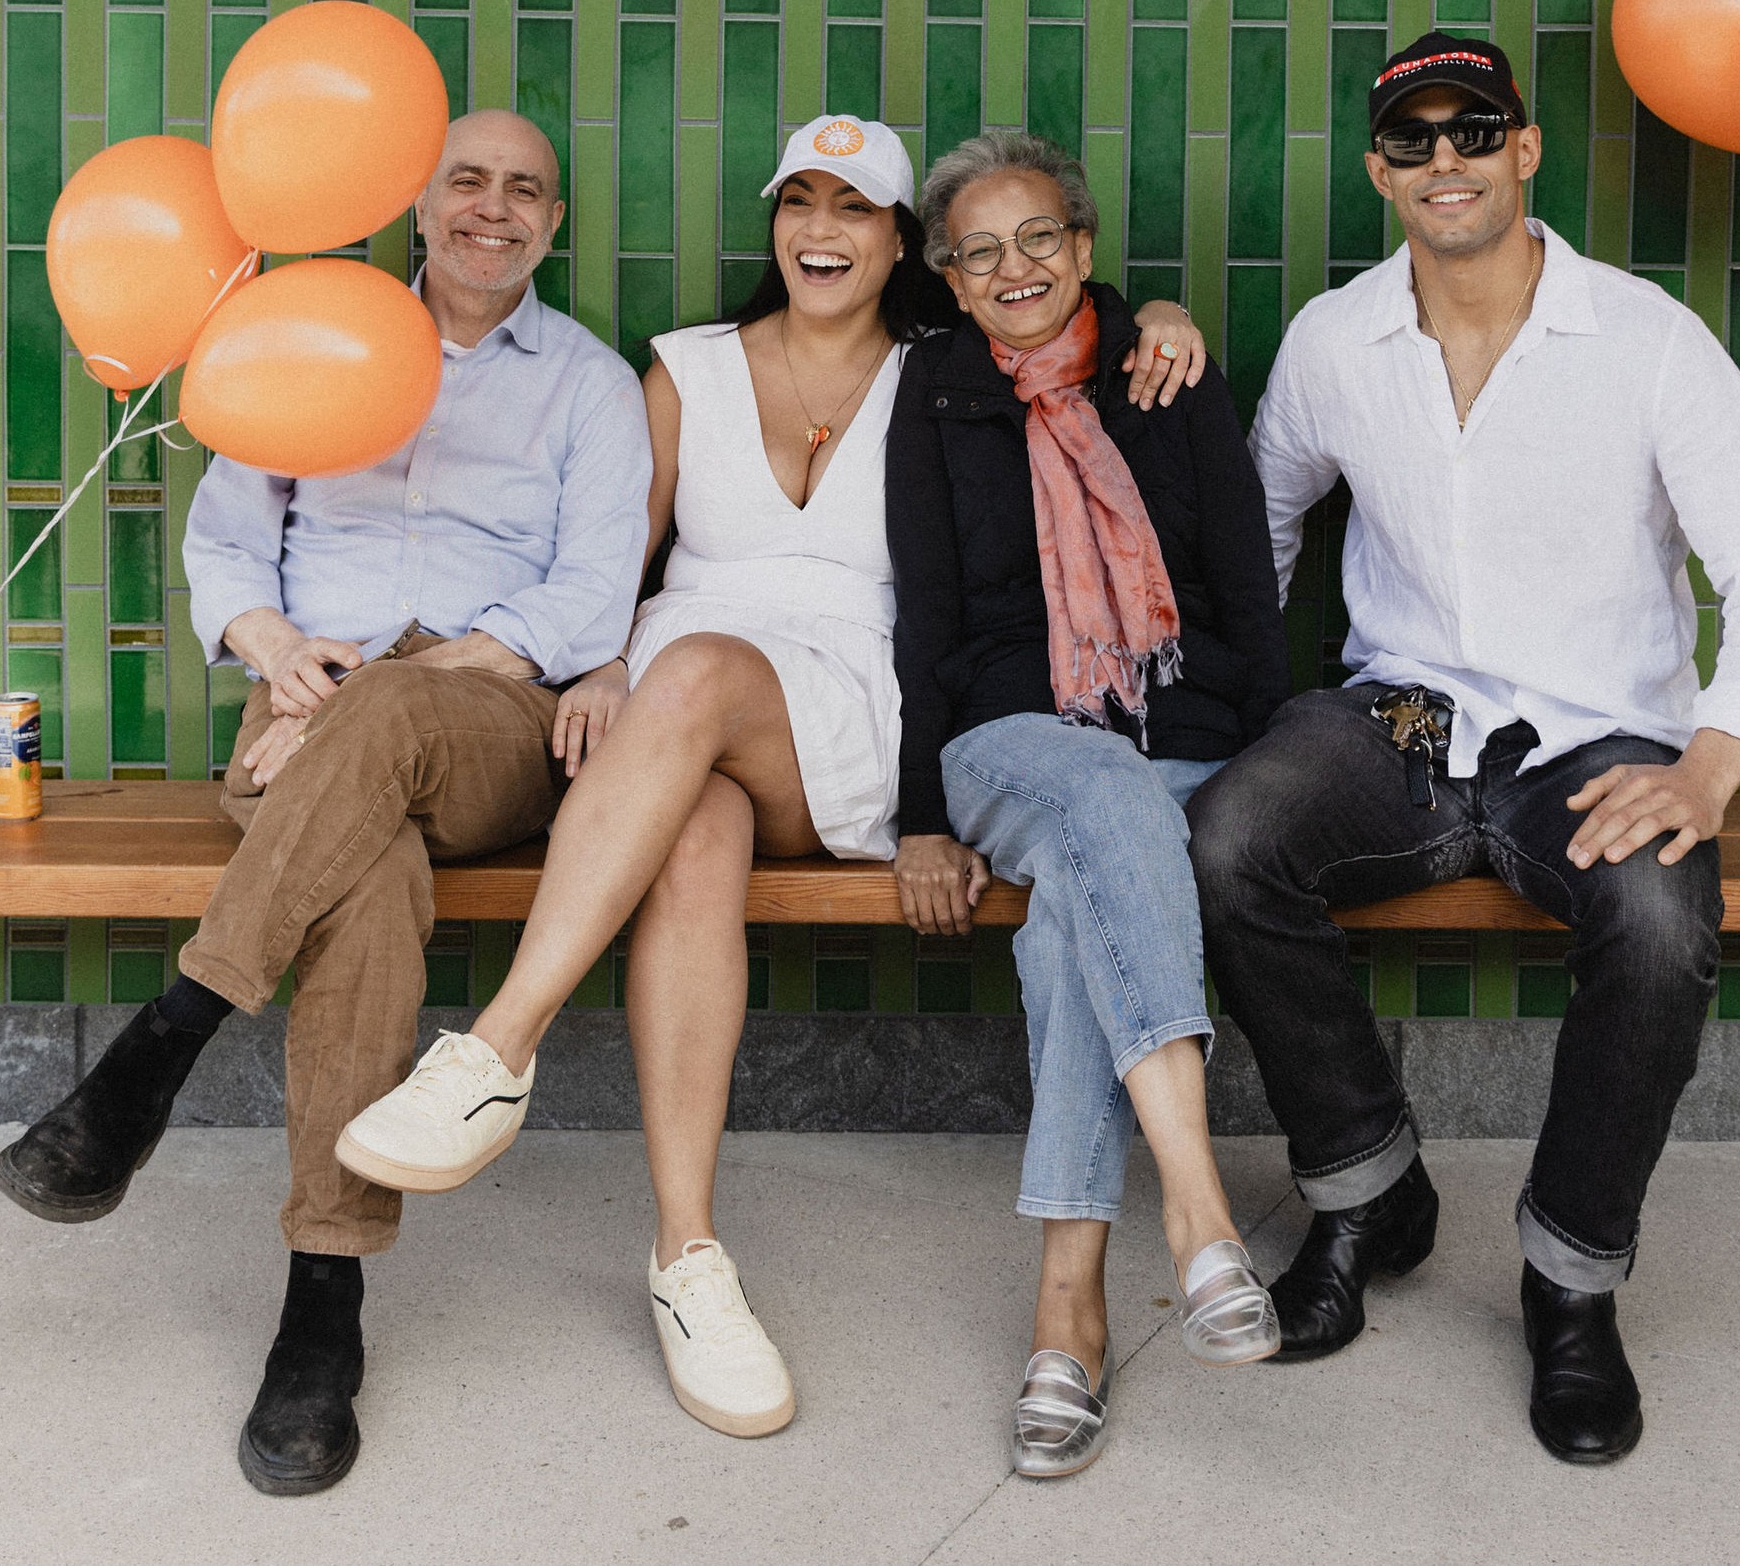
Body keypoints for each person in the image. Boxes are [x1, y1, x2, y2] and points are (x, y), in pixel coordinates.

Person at [338, 116, 1210, 1444]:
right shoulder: (683, 369)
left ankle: (497, 1046)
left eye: (854, 209)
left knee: (689, 677)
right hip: (677, 721)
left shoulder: (948, 366)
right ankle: (689, 1258)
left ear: (900, 242)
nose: (821, 229)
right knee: (690, 823)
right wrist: (594, 666)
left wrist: (1166, 310)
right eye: (798, 201)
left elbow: (1062, 321)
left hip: (846, 712)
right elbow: (614, 572)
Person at [1187, 32, 1740, 1464]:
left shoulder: (1645, 337)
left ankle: (1571, 1280)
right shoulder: (1333, 340)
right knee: (1231, 836)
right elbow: (1261, 532)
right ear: (1379, 168)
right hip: (1405, 720)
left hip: (1598, 733)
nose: (1446, 160)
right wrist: (1223, 720)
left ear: (1526, 149)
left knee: (1663, 914)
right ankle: (1369, 1187)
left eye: (1474, 129)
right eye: (1413, 138)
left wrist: (1713, 760)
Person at [0, 111, 654, 1493]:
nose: (494, 207)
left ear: (555, 221)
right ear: (417, 205)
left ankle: (155, 1052)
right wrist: (281, 652)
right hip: (301, 707)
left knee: (397, 716)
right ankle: (320, 1309)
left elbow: (595, 593)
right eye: (466, 180)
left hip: (489, 714)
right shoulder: (304, 332)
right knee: (374, 887)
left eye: (526, 189)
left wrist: (411, 673)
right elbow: (226, 542)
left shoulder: (587, 385)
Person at [887, 131, 1290, 1479]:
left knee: (1081, 895)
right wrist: (917, 815)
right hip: (1005, 742)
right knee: (1103, 796)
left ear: (1086, 245)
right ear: (945, 277)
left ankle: (1069, 1307)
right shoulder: (933, 390)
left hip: (1174, 742)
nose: (1015, 268)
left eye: (1039, 237)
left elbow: (1246, 593)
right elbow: (928, 611)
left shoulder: (1166, 373)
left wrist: (1271, 766)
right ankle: (1196, 1198)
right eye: (979, 250)